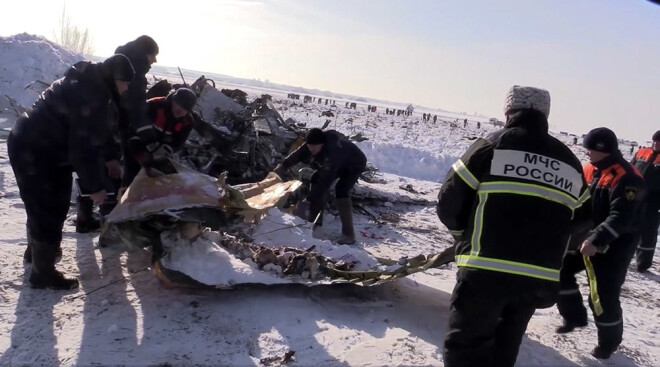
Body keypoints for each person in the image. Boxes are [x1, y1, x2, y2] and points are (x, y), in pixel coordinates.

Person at [437, 85, 590, 367]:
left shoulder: (492, 146)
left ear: (508, 112)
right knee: (505, 349)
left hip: (486, 272)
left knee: (466, 349)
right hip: (537, 278)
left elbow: (449, 201)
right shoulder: (570, 161)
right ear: (545, 115)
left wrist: (463, 238)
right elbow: (584, 219)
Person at [8, 54, 135, 290]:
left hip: (43, 147)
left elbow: (100, 129)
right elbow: (82, 148)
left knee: (45, 204)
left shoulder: (93, 82)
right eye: (126, 82)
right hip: (35, 149)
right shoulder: (91, 93)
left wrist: (110, 158)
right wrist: (94, 188)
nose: (127, 87)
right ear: (115, 78)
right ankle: (42, 273)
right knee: (49, 206)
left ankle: (36, 253)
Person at [556, 127, 646, 359]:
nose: (586, 152)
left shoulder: (628, 177)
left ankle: (609, 343)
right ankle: (573, 316)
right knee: (560, 270)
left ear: (601, 149)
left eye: (589, 148)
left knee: (602, 295)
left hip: (615, 243)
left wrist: (597, 239)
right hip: (586, 238)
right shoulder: (588, 170)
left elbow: (623, 216)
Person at [274, 128, 367, 245]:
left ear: (322, 144)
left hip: (355, 164)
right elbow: (298, 154)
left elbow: (325, 182)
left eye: (314, 147)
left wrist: (310, 200)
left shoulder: (331, 154)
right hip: (341, 162)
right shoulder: (312, 144)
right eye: (309, 147)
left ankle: (349, 234)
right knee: (315, 181)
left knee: (341, 190)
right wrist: (283, 166)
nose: (311, 150)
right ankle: (317, 222)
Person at [123, 88, 198, 184]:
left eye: (185, 108)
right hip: (136, 146)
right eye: (178, 104)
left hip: (158, 153)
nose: (180, 110)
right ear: (173, 100)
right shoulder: (154, 106)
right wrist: (140, 155)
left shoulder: (188, 122)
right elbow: (131, 130)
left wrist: (163, 152)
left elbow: (178, 143)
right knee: (131, 177)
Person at [114, 35, 159, 189]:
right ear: (144, 53)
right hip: (119, 126)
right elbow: (137, 108)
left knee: (103, 164)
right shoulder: (135, 76)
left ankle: (86, 210)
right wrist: (150, 139)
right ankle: (119, 207)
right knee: (125, 167)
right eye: (153, 55)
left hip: (108, 123)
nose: (155, 60)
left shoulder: (118, 64)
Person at [630, 131, 660, 272]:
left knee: (648, 231)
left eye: (658, 142)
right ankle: (624, 253)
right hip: (634, 194)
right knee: (628, 223)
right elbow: (630, 169)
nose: (656, 144)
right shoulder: (642, 152)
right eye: (654, 141)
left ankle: (643, 262)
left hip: (654, 200)